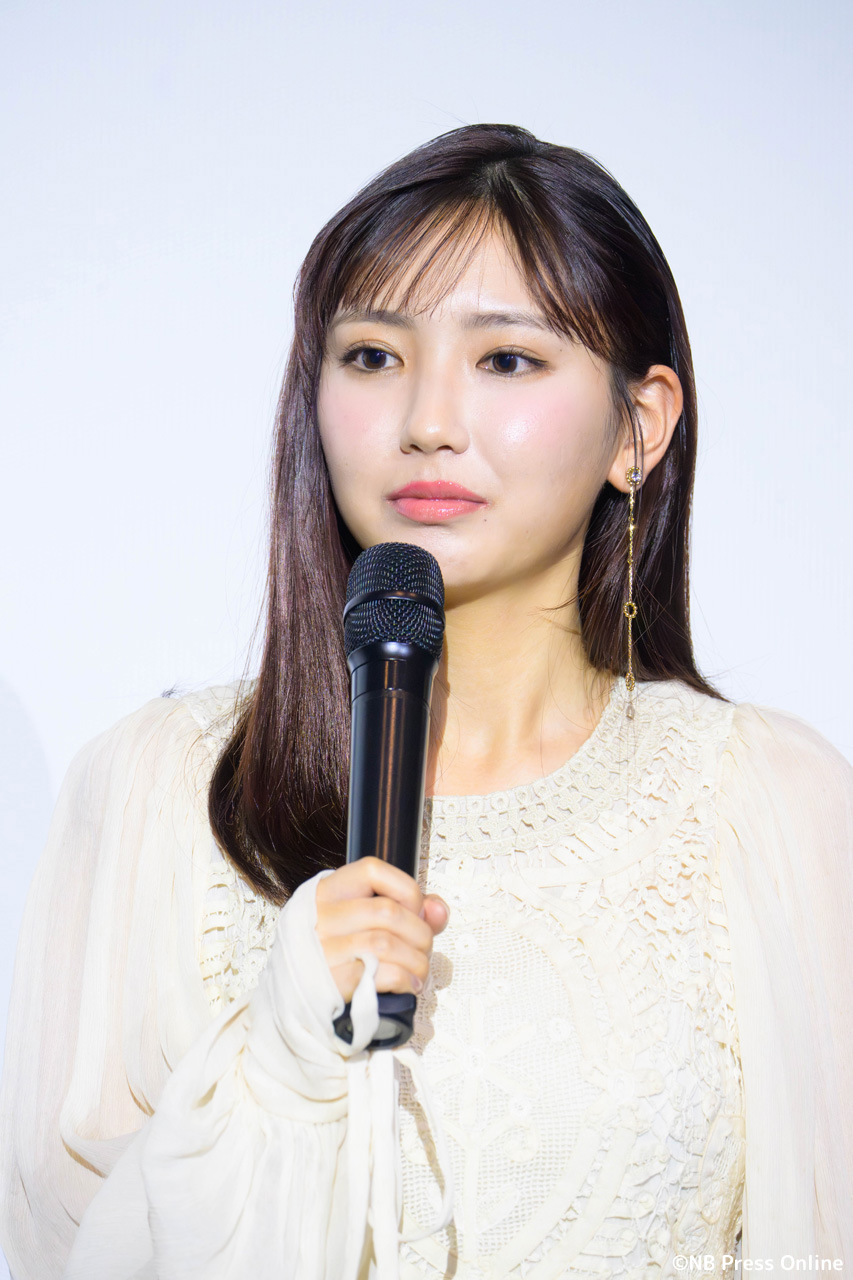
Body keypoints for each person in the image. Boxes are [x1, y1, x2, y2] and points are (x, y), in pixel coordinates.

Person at [1, 123, 850, 1280]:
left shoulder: (765, 804)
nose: (427, 420)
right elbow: (66, 1248)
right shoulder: (160, 790)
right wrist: (283, 1050)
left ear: (638, 426)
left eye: (506, 359)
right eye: (371, 354)